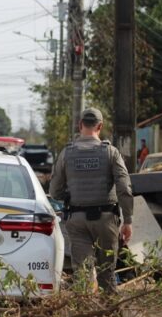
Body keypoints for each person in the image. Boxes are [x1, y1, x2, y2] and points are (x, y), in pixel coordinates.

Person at [49, 108, 133, 291]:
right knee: (106, 273)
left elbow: (54, 191)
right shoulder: (111, 152)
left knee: (83, 274)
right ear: (100, 126)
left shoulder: (66, 153)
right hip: (106, 220)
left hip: (77, 220)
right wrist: (128, 220)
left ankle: (84, 314)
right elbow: (124, 188)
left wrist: (73, 197)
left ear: (80, 125)